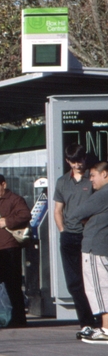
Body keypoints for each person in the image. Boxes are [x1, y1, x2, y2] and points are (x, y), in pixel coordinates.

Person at [53, 143, 97, 341]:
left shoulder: (93, 179)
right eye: (73, 161)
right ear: (67, 161)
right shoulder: (62, 182)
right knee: (74, 283)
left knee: (93, 280)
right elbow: (57, 210)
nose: (77, 165)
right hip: (69, 236)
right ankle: (86, 322)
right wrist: (63, 230)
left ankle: (98, 321)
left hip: (90, 235)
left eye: (80, 160)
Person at [0, 174, 31, 328]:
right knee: (4, 283)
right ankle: (9, 313)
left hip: (10, 246)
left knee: (13, 283)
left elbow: (25, 214)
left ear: (3, 184)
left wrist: (8, 221)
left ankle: (19, 318)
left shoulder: (15, 199)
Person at [72, 161, 108, 344]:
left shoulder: (103, 194)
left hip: (96, 247)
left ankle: (106, 329)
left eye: (93, 175)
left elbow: (78, 212)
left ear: (105, 175)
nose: (91, 180)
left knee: (99, 288)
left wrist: (90, 218)